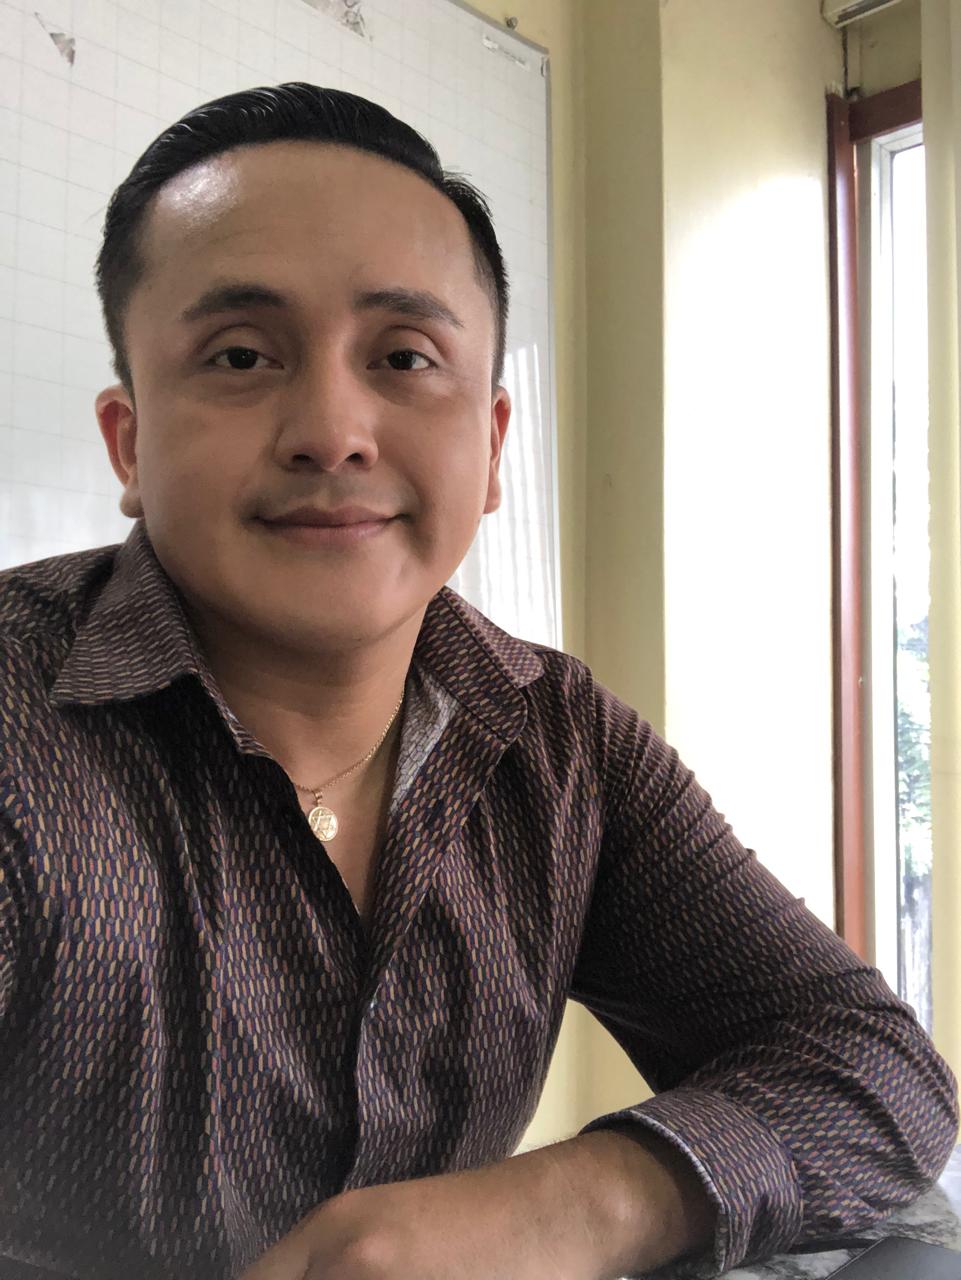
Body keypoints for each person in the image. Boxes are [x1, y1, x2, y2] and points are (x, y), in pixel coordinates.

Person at [0, 82, 955, 1280]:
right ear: (130, 442)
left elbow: (872, 1061)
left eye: (404, 357)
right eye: (240, 355)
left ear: (493, 444)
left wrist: (573, 1205)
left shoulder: (560, 740)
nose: (332, 430)